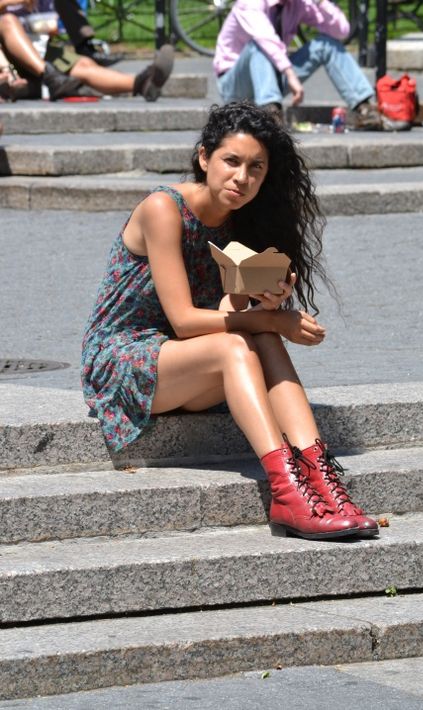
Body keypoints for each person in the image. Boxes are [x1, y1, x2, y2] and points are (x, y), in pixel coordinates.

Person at [81, 101, 379, 541]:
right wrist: (273, 320)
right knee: (244, 340)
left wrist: (265, 299)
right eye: (231, 161)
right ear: (205, 158)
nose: (242, 177)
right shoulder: (163, 209)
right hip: (125, 357)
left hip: (186, 360)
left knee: (259, 337)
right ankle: (287, 489)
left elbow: (226, 310)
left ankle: (319, 478)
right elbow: (183, 320)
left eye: (256, 167)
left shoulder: (242, 220)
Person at [214, 0, 386, 130]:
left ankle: (363, 107)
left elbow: (341, 31)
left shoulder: (296, 4)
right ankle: (271, 114)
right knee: (258, 45)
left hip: (273, 76)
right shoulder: (250, 3)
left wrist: (321, 2)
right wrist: (290, 74)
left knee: (326, 44)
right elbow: (266, 39)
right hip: (235, 85)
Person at [0, 10, 173, 100]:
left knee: (83, 64)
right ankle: (49, 77)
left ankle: (142, 84)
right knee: (8, 20)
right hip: (5, 52)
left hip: (37, 45)